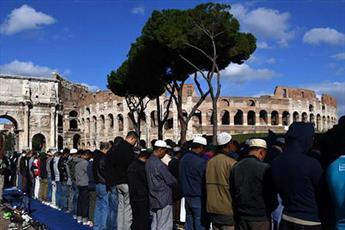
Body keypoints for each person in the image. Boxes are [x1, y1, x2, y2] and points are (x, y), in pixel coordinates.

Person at [271, 122, 324, 230]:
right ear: (304, 138)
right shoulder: (312, 163)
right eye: (311, 138)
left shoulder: (276, 161)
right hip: (309, 221)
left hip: (286, 219)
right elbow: (323, 191)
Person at [230, 139, 277, 230]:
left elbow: (232, 191)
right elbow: (271, 195)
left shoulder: (236, 166)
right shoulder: (264, 168)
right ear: (261, 152)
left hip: (241, 216)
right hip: (259, 217)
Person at [206, 132, 237, 230]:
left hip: (213, 209)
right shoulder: (232, 163)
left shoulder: (210, 162)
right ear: (229, 144)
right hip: (227, 209)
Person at [108, 131, 138, 230]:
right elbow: (131, 166)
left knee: (120, 208)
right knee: (128, 208)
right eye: (135, 141)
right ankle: (127, 228)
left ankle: (119, 228)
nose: (135, 144)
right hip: (126, 181)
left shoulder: (116, 148)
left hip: (118, 181)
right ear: (132, 138)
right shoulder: (128, 149)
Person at [146, 140, 177, 230]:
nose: (165, 153)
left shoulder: (148, 162)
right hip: (163, 198)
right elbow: (171, 180)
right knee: (164, 225)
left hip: (154, 196)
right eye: (165, 151)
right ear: (160, 150)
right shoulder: (160, 165)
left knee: (155, 223)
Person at [179, 136, 208, 230]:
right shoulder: (200, 162)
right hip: (198, 196)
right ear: (201, 147)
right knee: (200, 224)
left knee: (189, 222)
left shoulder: (183, 159)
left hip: (187, 196)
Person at [128, 149, 151, 230]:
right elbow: (146, 181)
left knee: (135, 217)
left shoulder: (132, 165)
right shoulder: (142, 167)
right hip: (142, 196)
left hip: (133, 195)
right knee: (143, 219)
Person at [93, 142, 110, 230]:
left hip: (97, 183)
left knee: (98, 206)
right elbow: (104, 170)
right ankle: (103, 226)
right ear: (106, 149)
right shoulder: (103, 158)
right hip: (103, 183)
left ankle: (96, 226)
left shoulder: (96, 157)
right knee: (104, 207)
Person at [75, 150, 90, 225]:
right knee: (85, 202)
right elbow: (88, 172)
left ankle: (79, 216)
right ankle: (84, 218)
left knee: (80, 200)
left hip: (79, 183)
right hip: (85, 183)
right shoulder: (85, 163)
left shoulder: (77, 163)